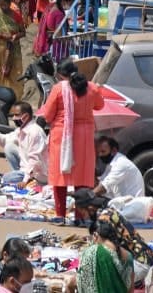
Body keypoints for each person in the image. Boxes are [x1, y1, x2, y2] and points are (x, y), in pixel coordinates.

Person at [40, 58, 102, 219]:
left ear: (61, 75)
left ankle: (60, 215)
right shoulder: (92, 87)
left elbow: (47, 115)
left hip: (62, 136)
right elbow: (99, 106)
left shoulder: (58, 89)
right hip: (85, 136)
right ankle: (80, 217)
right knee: (81, 177)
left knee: (59, 176)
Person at [0, 102, 49, 187]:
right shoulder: (21, 130)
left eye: (17, 115)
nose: (13, 118)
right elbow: (5, 139)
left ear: (26, 116)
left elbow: (34, 160)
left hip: (38, 174)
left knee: (5, 178)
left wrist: (25, 180)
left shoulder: (35, 133)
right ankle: (19, 176)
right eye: (13, 115)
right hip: (26, 170)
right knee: (9, 147)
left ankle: (31, 181)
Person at [70, 213, 134, 293]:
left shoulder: (94, 252)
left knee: (69, 283)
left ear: (95, 235)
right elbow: (131, 288)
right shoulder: (128, 255)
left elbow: (83, 281)